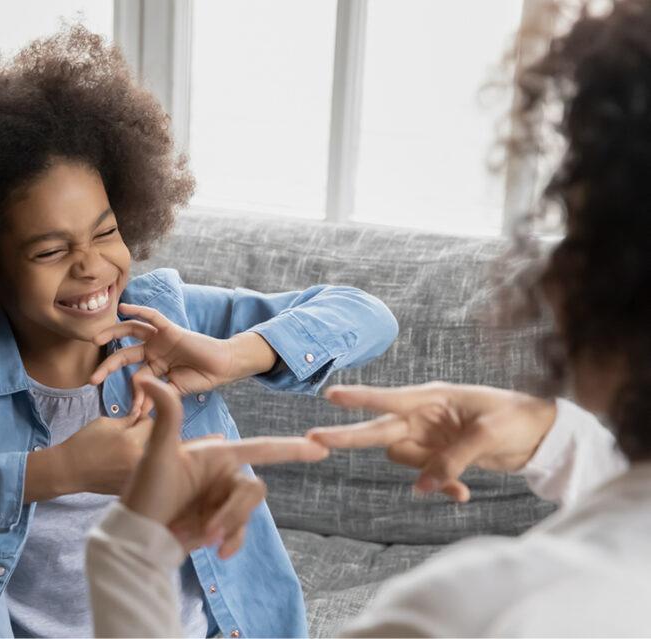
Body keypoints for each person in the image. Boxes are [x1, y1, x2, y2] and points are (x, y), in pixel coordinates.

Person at [85, 0, 651, 636]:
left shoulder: (481, 608)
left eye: (572, 229)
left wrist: (129, 554)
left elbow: (363, 313)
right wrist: (561, 439)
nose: (550, 273)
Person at [0, 25, 398, 638]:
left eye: (104, 232)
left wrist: (236, 356)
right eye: (50, 250)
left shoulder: (165, 317)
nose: (92, 265)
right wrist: (56, 471)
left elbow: (364, 314)